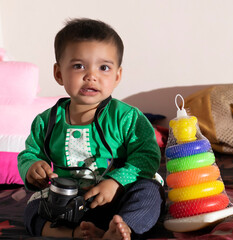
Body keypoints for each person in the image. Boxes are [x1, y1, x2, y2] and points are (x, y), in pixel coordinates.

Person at [17, 18, 164, 240]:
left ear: (117, 76)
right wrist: (32, 167)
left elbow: (147, 156)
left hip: (118, 196)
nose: (91, 75)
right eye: (79, 66)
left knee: (149, 191)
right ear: (58, 74)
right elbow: (30, 153)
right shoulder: (45, 122)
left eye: (103, 67)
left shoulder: (127, 117)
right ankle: (74, 233)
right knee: (33, 206)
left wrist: (116, 182)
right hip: (70, 202)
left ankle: (124, 229)